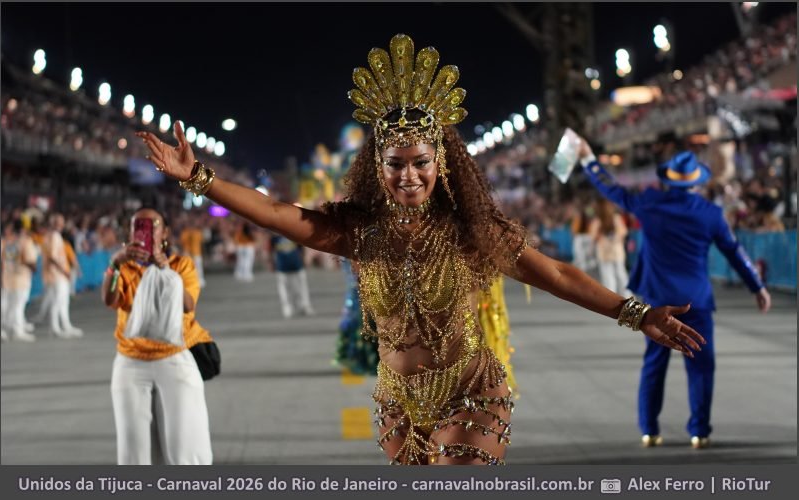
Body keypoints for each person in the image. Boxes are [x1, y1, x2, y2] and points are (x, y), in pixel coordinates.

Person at [139, 34, 704, 465]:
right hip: (396, 401)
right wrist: (200, 178)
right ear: (377, 167)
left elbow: (553, 273)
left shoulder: (470, 229)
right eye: (395, 164)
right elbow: (281, 215)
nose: (408, 176)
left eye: (420, 163)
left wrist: (637, 312)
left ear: (441, 164)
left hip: (471, 389)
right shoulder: (357, 230)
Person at [577, 142, 771, 449]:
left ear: (668, 179)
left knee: (654, 364)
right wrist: (757, 286)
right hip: (697, 300)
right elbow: (735, 253)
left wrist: (588, 159)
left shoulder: (650, 204)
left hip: (656, 300)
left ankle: (650, 430)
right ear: (696, 181)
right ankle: (699, 432)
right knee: (701, 367)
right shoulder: (711, 214)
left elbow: (612, 189)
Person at [102, 207, 213, 465]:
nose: (146, 231)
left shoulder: (181, 265)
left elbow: (188, 305)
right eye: (138, 226)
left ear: (164, 233)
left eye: (153, 225)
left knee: (183, 446)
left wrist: (165, 269)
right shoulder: (125, 266)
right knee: (134, 449)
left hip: (173, 358)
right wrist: (114, 264)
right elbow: (109, 299)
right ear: (129, 232)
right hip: (130, 361)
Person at [40, 213, 83, 338]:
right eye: (60, 221)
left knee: (63, 301)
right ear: (54, 223)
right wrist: (64, 271)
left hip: (55, 274)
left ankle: (65, 325)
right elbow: (52, 257)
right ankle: (55, 328)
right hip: (57, 274)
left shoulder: (50, 235)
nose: (63, 224)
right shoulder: (54, 236)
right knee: (58, 301)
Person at [1, 219, 38, 342]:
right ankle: (17, 331)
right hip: (21, 278)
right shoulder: (25, 242)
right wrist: (33, 268)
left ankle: (7, 329)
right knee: (18, 305)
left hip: (7, 278)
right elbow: (31, 260)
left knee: (8, 306)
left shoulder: (6, 242)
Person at [267, 231, 315, 318]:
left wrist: (304, 259)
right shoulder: (274, 236)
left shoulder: (293, 233)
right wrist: (271, 263)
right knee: (283, 288)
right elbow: (270, 250)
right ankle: (286, 306)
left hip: (297, 264)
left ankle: (304, 305)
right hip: (282, 267)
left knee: (301, 287)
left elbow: (302, 247)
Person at [589, 198, 630, 295]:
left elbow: (593, 236)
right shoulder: (615, 218)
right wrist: (615, 239)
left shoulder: (598, 220)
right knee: (621, 274)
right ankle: (627, 296)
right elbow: (623, 232)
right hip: (616, 251)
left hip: (604, 252)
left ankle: (611, 296)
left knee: (608, 276)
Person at [179, 218, 206, 287]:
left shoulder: (198, 232)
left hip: (197, 252)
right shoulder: (185, 233)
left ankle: (200, 280)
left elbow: (202, 243)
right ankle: (188, 281)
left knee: (198, 267)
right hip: (188, 253)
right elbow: (182, 243)